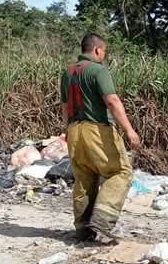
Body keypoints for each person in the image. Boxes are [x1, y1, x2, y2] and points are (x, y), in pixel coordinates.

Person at [60, 33, 141, 242]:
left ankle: (82, 228)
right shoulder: (98, 70)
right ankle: (103, 220)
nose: (104, 55)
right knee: (121, 172)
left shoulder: (68, 72)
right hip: (97, 129)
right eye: (104, 51)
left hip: (74, 130)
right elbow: (112, 101)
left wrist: (67, 130)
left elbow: (64, 106)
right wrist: (130, 130)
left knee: (84, 177)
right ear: (97, 50)